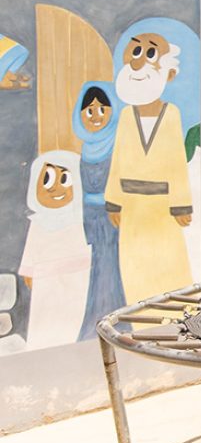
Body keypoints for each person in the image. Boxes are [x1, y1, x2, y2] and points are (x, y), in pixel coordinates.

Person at [106, 31, 194, 306]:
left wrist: (181, 205)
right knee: (135, 268)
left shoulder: (171, 115)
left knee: (169, 266)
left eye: (150, 54)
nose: (138, 62)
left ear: (168, 73)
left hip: (162, 207)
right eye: (135, 53)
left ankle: (175, 317)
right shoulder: (125, 117)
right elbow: (118, 159)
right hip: (131, 207)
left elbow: (177, 161)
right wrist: (113, 201)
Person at [72, 82, 125, 338]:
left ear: (112, 111)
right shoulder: (86, 147)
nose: (95, 116)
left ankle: (116, 320)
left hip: (112, 216)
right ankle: (95, 321)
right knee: (96, 272)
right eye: (89, 111)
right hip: (91, 217)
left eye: (101, 109)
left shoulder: (117, 143)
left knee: (112, 268)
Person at [19, 150, 88, 348]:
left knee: (75, 319)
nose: (55, 189)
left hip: (78, 279)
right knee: (46, 321)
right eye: (47, 180)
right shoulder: (38, 222)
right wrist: (30, 272)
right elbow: (31, 252)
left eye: (65, 179)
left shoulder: (81, 220)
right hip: (46, 282)